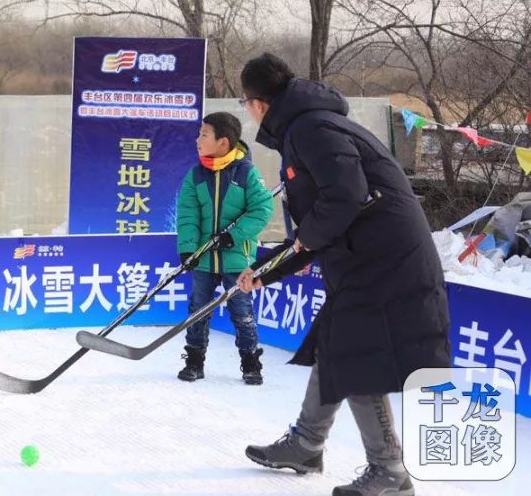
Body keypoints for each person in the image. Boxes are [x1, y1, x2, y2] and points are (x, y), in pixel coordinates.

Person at [235, 53, 450, 496]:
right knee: (337, 344)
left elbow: (346, 197)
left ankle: (389, 471)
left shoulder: (311, 129)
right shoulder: (308, 127)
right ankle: (307, 444)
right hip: (365, 256)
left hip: (385, 259)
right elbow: (319, 224)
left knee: (355, 355)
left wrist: (294, 247)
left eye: (245, 103)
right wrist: (265, 270)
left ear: (257, 103)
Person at [175, 111, 273, 384]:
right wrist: (188, 249)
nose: (198, 139)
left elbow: (262, 208)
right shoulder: (195, 175)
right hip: (204, 258)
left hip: (236, 259)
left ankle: (250, 362)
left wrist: (233, 236)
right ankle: (194, 360)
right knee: (198, 310)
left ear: (224, 142)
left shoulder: (246, 173)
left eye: (204, 135)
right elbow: (187, 214)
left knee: (242, 312)